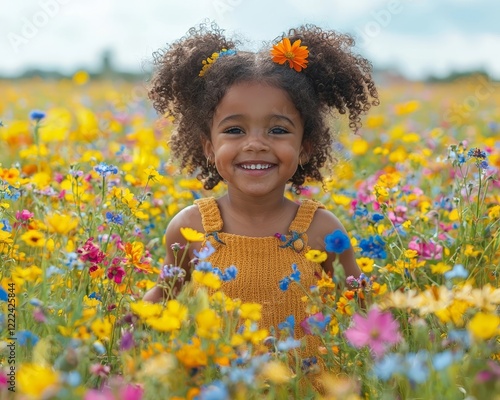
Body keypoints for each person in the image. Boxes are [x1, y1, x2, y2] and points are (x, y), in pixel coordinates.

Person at [143, 21, 378, 376]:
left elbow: (363, 312)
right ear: (209, 147)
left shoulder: (322, 229)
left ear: (305, 147)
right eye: (234, 130)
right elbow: (160, 302)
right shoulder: (190, 228)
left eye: (278, 130)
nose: (256, 143)